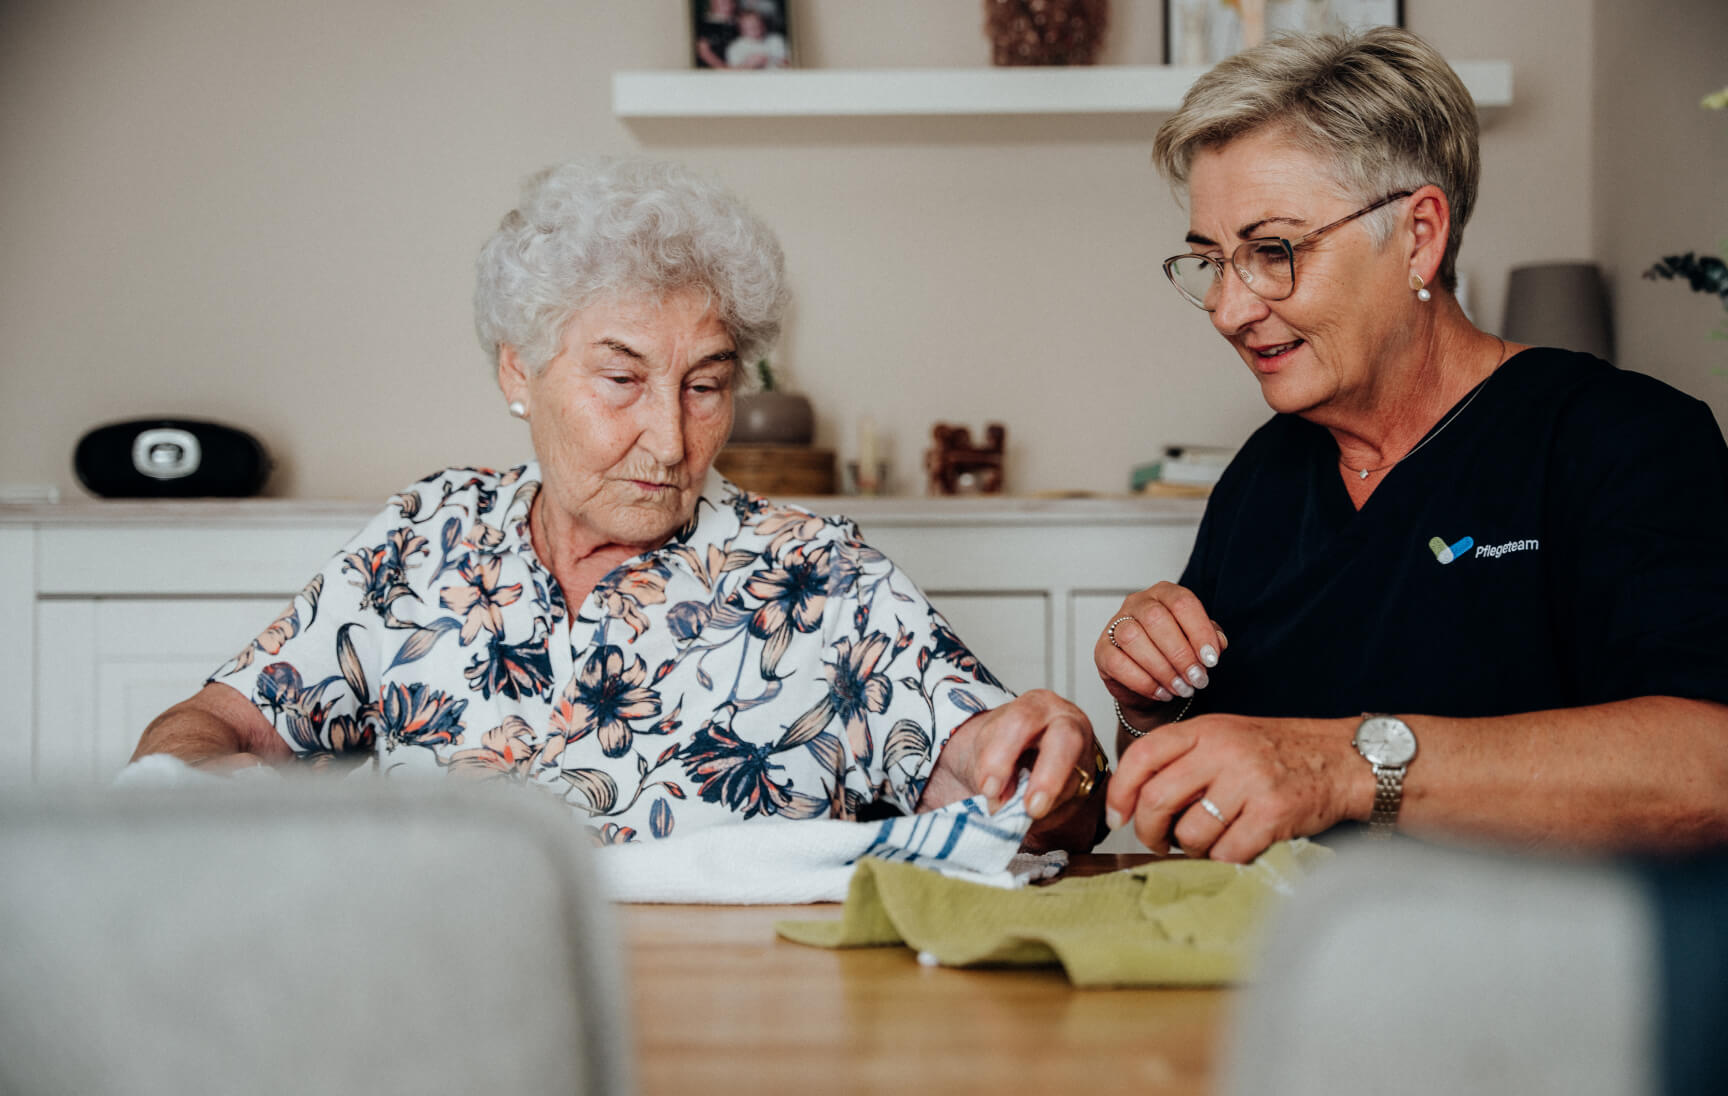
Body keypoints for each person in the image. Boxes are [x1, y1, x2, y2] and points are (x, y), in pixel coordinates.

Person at [135, 156, 1104, 851]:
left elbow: (1009, 774)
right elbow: (202, 730)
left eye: (707, 384)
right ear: (520, 369)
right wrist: (231, 794)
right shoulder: (424, 540)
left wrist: (1051, 767)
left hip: (743, 1022)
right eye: (621, 379)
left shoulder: (821, 574)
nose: (673, 438)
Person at [1097, 28, 1728, 862]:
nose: (1229, 309)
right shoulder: (1262, 477)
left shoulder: (1621, 438)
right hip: (1289, 957)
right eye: (1212, 261)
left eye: (1272, 251)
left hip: (1545, 970)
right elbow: (1204, 799)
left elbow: (1726, 779)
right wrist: (1150, 707)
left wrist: (1343, 768)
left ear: (1420, 236)